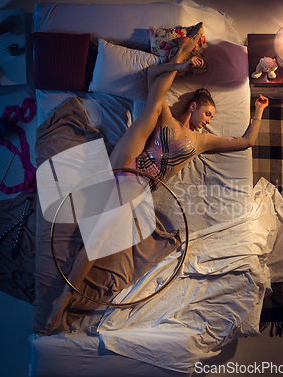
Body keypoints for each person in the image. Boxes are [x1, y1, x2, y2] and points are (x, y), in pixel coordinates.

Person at [46, 22, 269, 332]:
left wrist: (258, 110)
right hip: (125, 163)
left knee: (96, 240)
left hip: (137, 183)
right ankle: (181, 52)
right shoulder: (167, 117)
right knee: (151, 110)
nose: (207, 124)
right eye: (207, 115)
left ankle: (63, 299)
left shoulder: (201, 142)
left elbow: (246, 142)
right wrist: (181, 62)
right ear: (194, 106)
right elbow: (152, 77)